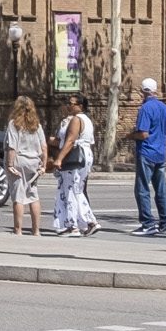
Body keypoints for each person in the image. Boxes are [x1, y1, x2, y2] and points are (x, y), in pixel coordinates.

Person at [132, 77, 166, 236]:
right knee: (161, 189)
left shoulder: (145, 108)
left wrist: (131, 135)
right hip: (160, 153)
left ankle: (147, 223)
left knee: (142, 189)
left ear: (143, 91)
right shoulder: (165, 108)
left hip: (146, 152)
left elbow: (143, 134)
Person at [52, 96, 100, 235]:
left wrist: (59, 158)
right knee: (76, 189)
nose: (69, 106)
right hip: (83, 155)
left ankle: (72, 225)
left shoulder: (76, 119)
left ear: (80, 106)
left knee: (70, 190)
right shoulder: (86, 119)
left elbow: (70, 140)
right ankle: (90, 221)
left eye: (71, 104)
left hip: (75, 156)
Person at [4, 96, 47, 237]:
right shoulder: (37, 126)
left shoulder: (14, 124)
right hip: (34, 162)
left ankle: (18, 229)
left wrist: (9, 164)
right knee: (33, 195)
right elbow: (44, 147)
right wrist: (44, 165)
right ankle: (36, 230)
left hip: (19, 161)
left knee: (18, 196)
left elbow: (12, 147)